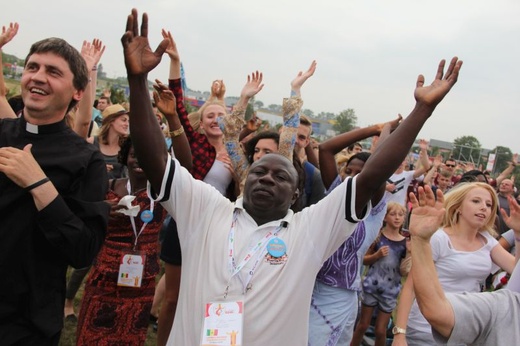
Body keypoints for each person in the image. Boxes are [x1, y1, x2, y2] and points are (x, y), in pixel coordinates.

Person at [121, 8, 462, 345]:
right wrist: (137, 82)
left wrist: (421, 111)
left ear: (297, 193)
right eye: (259, 171)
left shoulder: (310, 230)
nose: (267, 177)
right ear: (244, 178)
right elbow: (156, 162)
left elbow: (371, 177)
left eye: (281, 176)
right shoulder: (206, 209)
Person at [0, 35, 109, 344]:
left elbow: (83, 251)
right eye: (32, 67)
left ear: (77, 92)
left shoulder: (87, 161)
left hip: (26, 324)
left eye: (53, 71)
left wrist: (39, 184)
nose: (38, 76)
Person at [392, 182, 516, 346]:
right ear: (458, 207)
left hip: (463, 328)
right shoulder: (439, 238)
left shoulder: (488, 241)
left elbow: (516, 269)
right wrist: (399, 334)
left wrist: (518, 234)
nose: (484, 208)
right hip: (425, 329)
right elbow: (410, 287)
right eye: (476, 201)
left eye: (488, 204)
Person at [76, 137, 168, 345]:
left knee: (129, 339)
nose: (139, 161)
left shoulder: (163, 195)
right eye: (135, 155)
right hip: (104, 277)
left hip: (141, 283)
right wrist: (102, 211)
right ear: (125, 156)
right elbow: (80, 214)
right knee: (91, 337)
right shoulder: (108, 186)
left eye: (146, 156)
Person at [350, 202, 409, 346]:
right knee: (362, 325)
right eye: (393, 214)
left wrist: (410, 254)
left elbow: (403, 271)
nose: (397, 218)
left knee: (381, 330)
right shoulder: (378, 238)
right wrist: (376, 255)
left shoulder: (405, 243)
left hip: (390, 291)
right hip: (371, 287)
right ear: (385, 217)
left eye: (400, 215)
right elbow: (364, 260)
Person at [88, 103, 130, 180]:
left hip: (119, 191)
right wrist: (97, 168)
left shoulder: (127, 145)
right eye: (123, 120)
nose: (127, 124)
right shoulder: (91, 143)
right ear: (111, 121)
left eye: (128, 121)